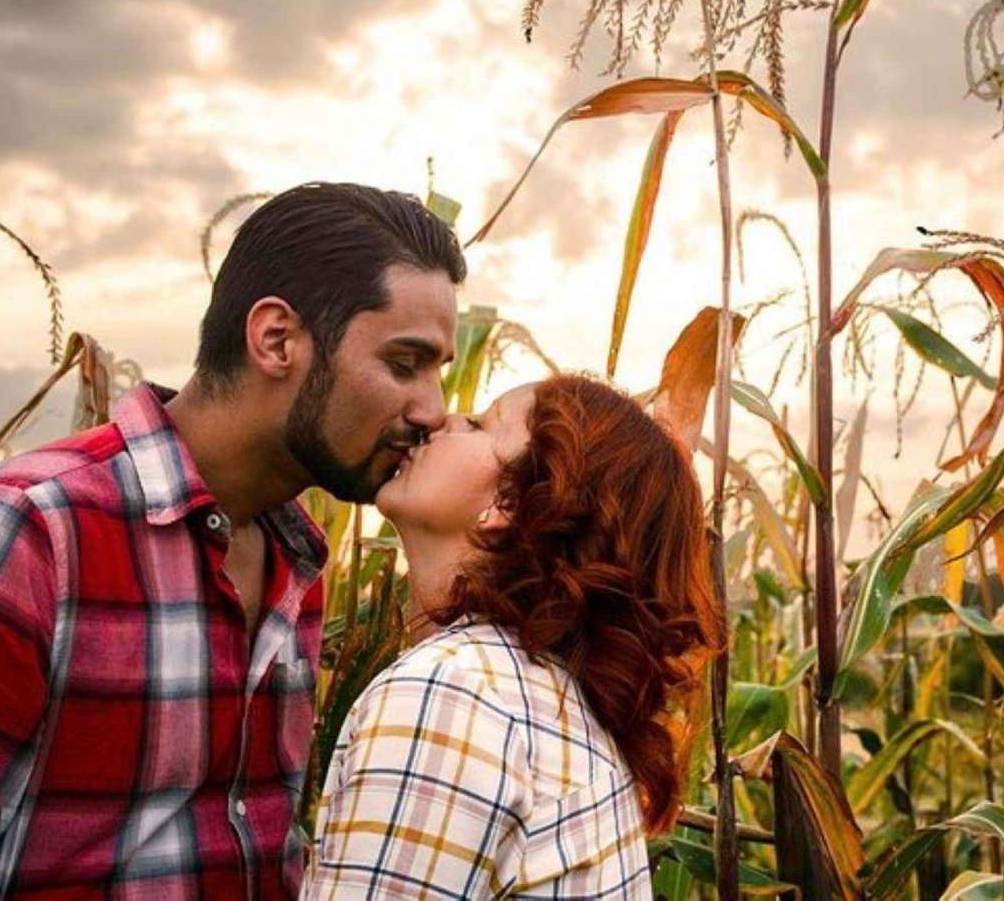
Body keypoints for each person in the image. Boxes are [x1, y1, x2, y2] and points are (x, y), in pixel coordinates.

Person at [0, 183, 465, 899]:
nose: (433, 409)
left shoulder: (295, 567)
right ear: (277, 338)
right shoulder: (30, 535)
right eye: (405, 363)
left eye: (439, 371)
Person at [306, 375, 722, 899]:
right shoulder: (548, 698)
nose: (441, 420)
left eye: (480, 424)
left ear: (511, 501)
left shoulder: (449, 694)